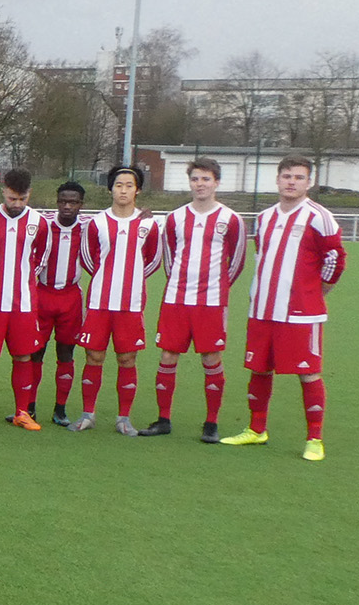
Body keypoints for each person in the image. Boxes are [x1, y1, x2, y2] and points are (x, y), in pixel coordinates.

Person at [222, 155, 347, 460]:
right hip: (263, 309)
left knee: (309, 374)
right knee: (260, 368)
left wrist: (318, 292)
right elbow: (261, 255)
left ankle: (314, 438)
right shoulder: (264, 217)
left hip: (301, 313)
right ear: (277, 179)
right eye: (287, 176)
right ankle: (256, 429)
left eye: (299, 177)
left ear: (309, 182)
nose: (292, 181)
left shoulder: (319, 216)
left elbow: (335, 259)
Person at [145, 157, 245, 441]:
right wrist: (179, 282)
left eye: (206, 179)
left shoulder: (230, 219)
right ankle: (163, 419)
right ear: (189, 182)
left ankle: (211, 423)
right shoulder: (175, 218)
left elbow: (236, 262)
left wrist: (219, 287)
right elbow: (169, 257)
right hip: (177, 299)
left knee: (211, 357)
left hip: (212, 301)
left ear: (217, 182)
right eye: (195, 179)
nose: (200, 184)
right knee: (167, 355)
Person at [67, 165, 161, 434]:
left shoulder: (148, 224)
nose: (123, 190)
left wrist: (130, 278)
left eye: (129, 185)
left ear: (138, 190)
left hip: (131, 304)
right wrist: (107, 278)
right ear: (111, 189)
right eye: (119, 185)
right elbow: (88, 258)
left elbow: (153, 259)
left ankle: (124, 418)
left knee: (127, 359)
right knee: (94, 356)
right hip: (99, 302)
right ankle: (88, 415)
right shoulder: (96, 223)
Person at [0, 169, 48, 431]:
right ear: (3, 191)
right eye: (13, 198)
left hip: (24, 304)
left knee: (24, 357)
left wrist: (24, 280)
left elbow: (40, 258)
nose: (17, 204)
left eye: (23, 199)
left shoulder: (39, 222)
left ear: (30, 195)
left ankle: (22, 412)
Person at [35, 181, 87, 425]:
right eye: (63, 201)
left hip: (70, 298)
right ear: (57, 202)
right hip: (42, 295)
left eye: (73, 202)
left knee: (65, 352)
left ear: (81, 205)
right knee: (35, 351)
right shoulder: (43, 225)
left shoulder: (88, 229)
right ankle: (28, 407)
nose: (67, 206)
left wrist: (145, 215)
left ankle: (60, 409)